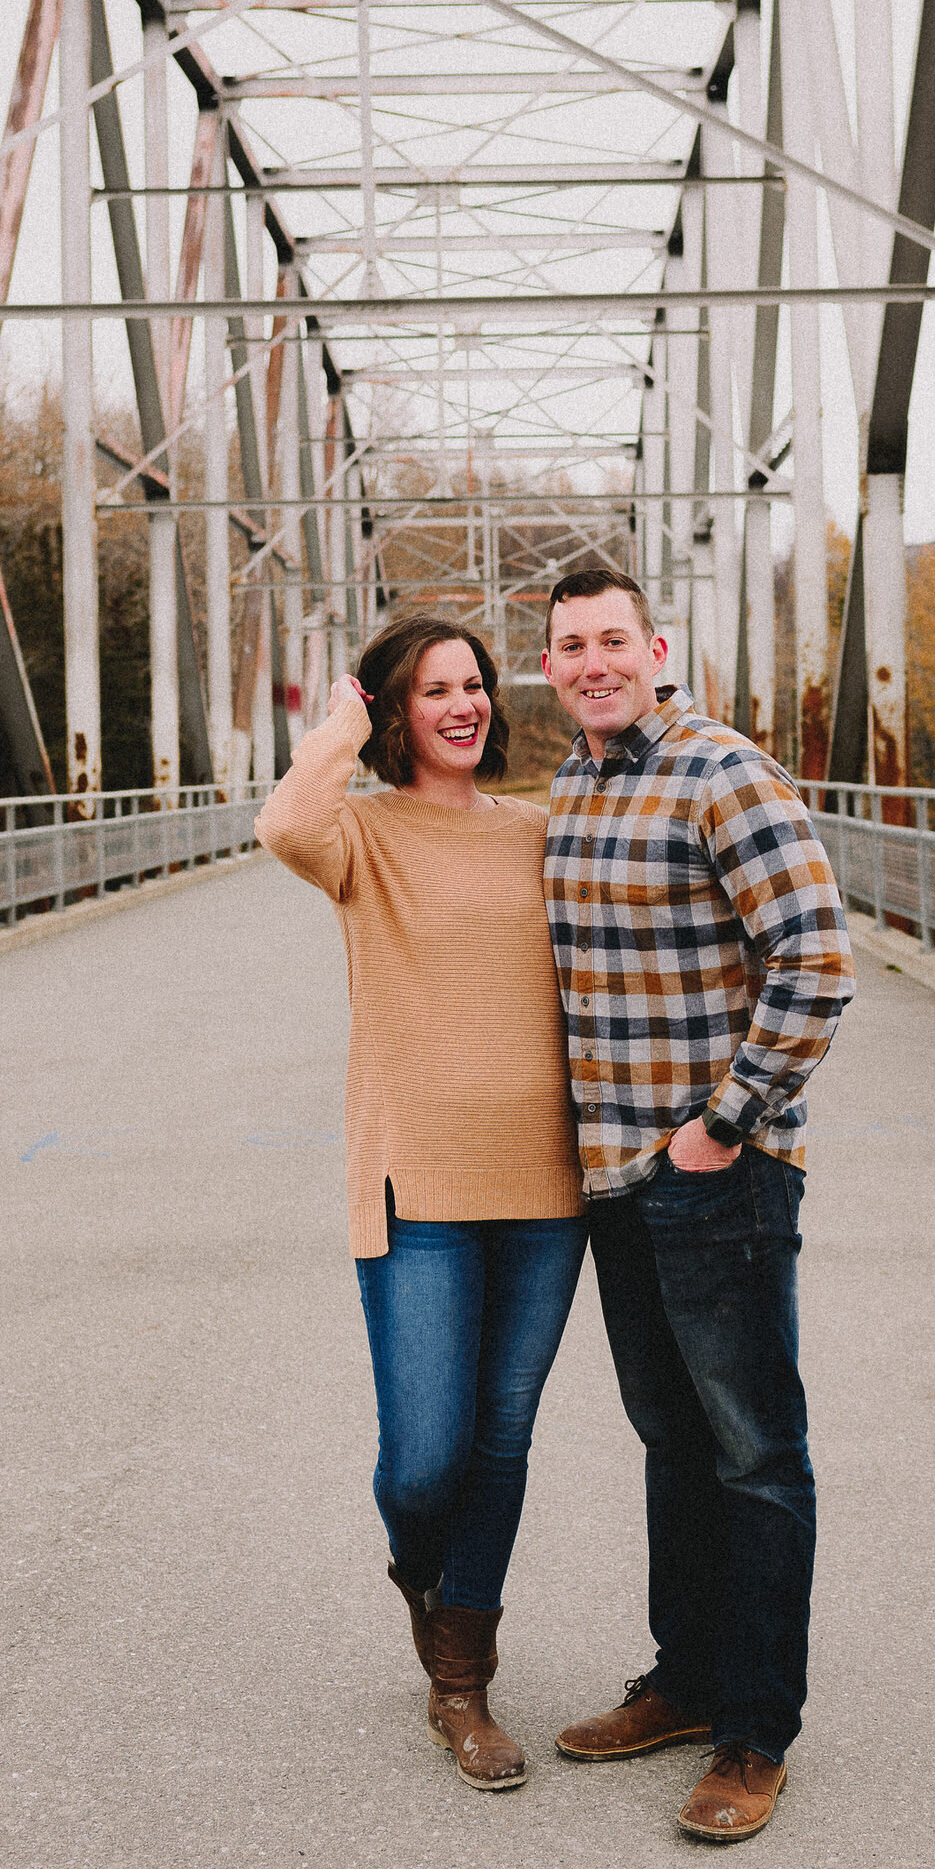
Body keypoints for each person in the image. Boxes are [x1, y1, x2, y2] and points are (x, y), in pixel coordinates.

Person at [539, 566, 855, 1845]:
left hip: (713, 1176)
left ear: (656, 649)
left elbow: (817, 957)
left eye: (613, 640)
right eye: (569, 646)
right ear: (549, 666)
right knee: (672, 1440)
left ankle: (754, 1731)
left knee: (752, 1451)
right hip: (611, 1179)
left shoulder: (718, 769)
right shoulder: (574, 779)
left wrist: (726, 1123)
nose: (593, 661)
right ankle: (683, 1679)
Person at [254, 616, 586, 1792]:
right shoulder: (360, 837)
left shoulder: (540, 834)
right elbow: (283, 820)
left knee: (501, 1439)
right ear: (398, 711)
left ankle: (462, 1680)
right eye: (434, 688)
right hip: (416, 1185)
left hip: (547, 1184)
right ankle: (421, 1573)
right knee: (424, 1460)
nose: (464, 704)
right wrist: (343, 714)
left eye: (477, 685)